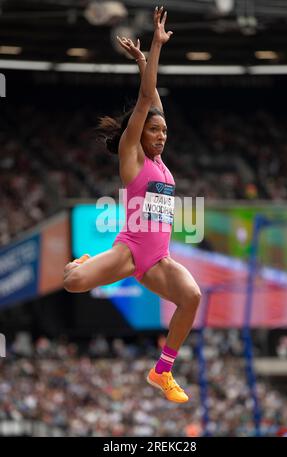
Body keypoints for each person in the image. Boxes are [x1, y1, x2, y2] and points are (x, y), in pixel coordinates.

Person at [64, 6, 201, 403]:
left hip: (158, 259)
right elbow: (145, 101)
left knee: (191, 298)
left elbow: (152, 99)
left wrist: (143, 63)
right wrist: (155, 48)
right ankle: (84, 262)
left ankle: (162, 371)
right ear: (139, 134)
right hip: (130, 250)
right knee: (73, 283)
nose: (161, 136)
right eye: (154, 130)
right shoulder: (133, 157)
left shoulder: (158, 161)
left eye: (165, 132)